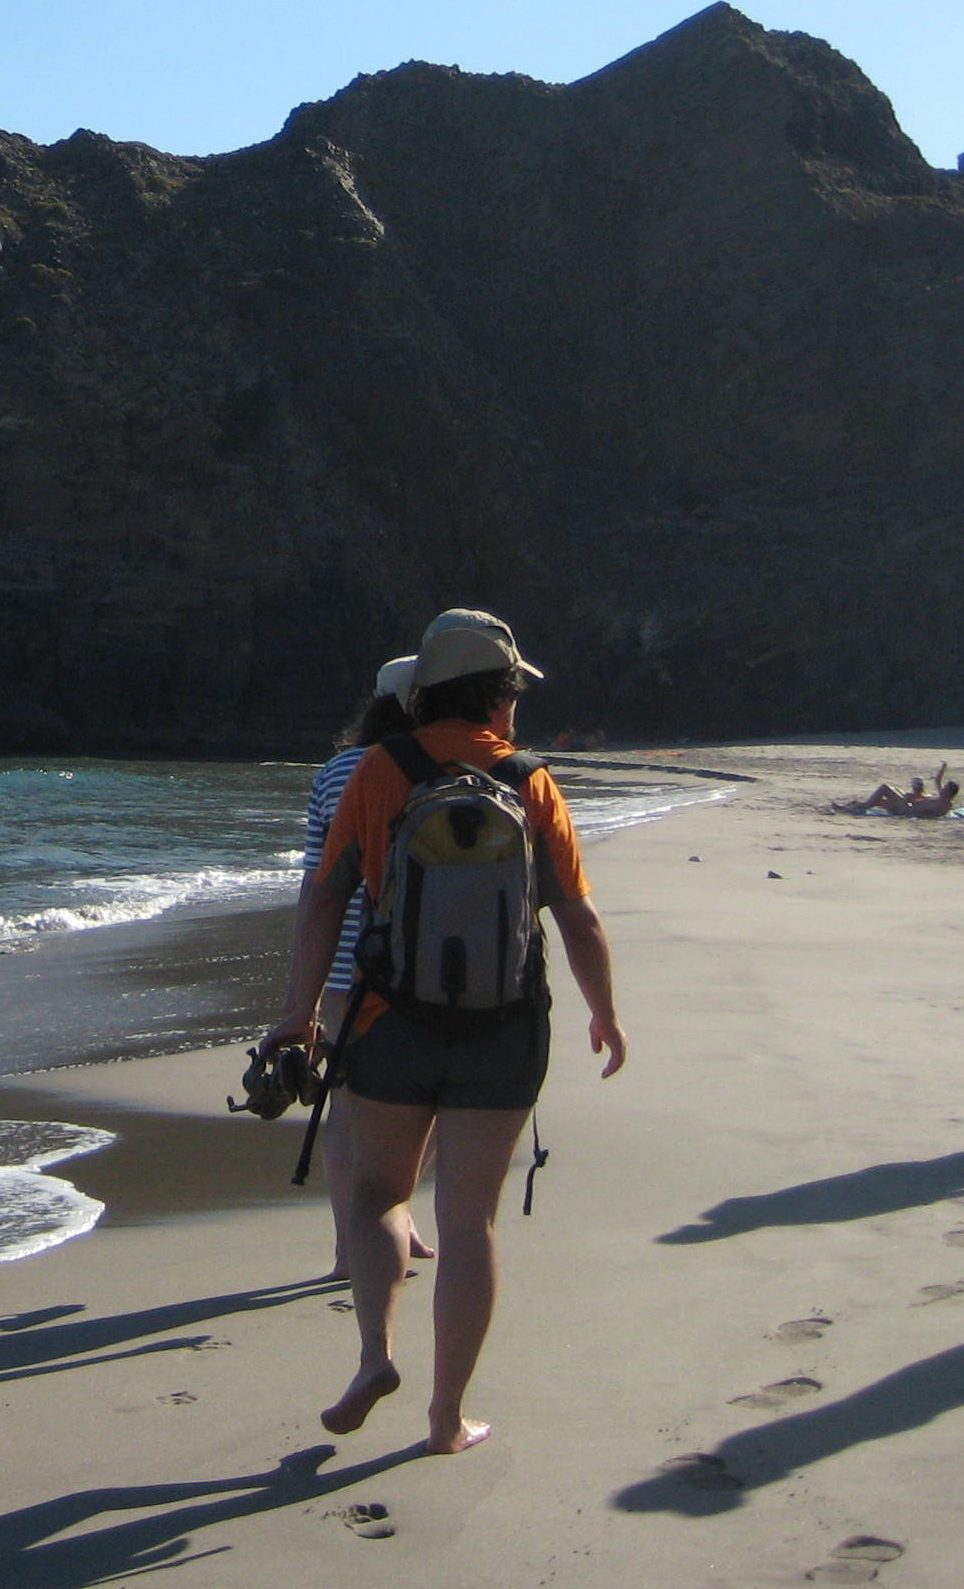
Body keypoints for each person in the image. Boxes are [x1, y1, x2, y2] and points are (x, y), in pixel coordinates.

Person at [262, 608, 626, 1458]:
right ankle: (445, 1419)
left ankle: (373, 1358)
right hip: (505, 1029)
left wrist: (299, 1010)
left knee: (379, 1194)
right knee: (470, 1224)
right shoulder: (531, 779)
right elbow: (575, 914)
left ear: (424, 695)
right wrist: (604, 1011)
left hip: (393, 1020)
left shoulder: (381, 771)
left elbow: (325, 895)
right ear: (501, 699)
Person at [298, 658, 439, 1280]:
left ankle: (352, 1242)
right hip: (434, 963)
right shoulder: (450, 765)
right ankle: (390, 1217)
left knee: (350, 1112)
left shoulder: (335, 773)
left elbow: (317, 882)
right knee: (430, 1103)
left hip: (346, 970)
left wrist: (299, 993)